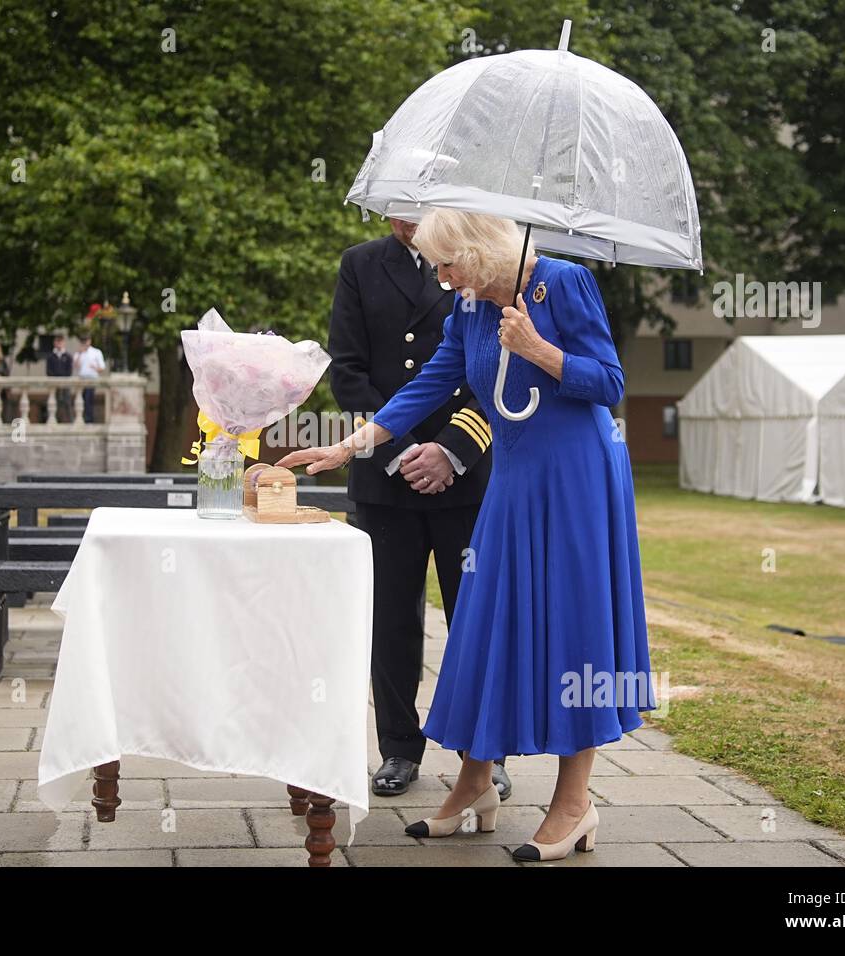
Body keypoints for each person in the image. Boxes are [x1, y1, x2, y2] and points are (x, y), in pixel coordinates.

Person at [279, 209, 655, 862]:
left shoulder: (561, 284)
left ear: (478, 252)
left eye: (447, 264)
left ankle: (574, 804)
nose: (440, 277)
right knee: (485, 628)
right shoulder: (473, 310)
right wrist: (349, 447)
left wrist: (538, 349)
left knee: (571, 631)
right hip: (511, 483)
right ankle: (476, 786)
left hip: (575, 479)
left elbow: (611, 383)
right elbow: (428, 386)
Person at [328, 217, 510, 801]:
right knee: (391, 621)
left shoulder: (481, 265)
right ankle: (398, 749)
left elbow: (496, 367)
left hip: (467, 469)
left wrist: (452, 450)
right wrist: (404, 451)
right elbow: (348, 371)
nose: (408, 213)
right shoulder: (360, 264)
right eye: (397, 201)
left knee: (474, 619)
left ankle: (483, 755)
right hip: (387, 472)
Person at [73, 333, 106, 423]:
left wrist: (94, 367)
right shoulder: (78, 353)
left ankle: (89, 419)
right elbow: (76, 366)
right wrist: (80, 353)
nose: (85, 343)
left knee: (89, 399)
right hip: (81, 379)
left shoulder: (96, 352)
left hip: (91, 379)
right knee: (81, 399)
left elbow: (102, 367)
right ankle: (82, 418)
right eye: (83, 341)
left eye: (86, 341)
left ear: (90, 341)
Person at [45, 333, 73, 423]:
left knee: (67, 402)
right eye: (57, 341)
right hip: (54, 383)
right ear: (54, 343)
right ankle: (53, 420)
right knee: (54, 402)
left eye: (61, 341)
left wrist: (63, 378)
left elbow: (69, 371)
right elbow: (48, 371)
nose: (59, 343)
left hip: (65, 383)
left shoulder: (68, 356)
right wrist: (55, 378)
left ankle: (70, 421)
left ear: (63, 343)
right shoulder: (50, 356)